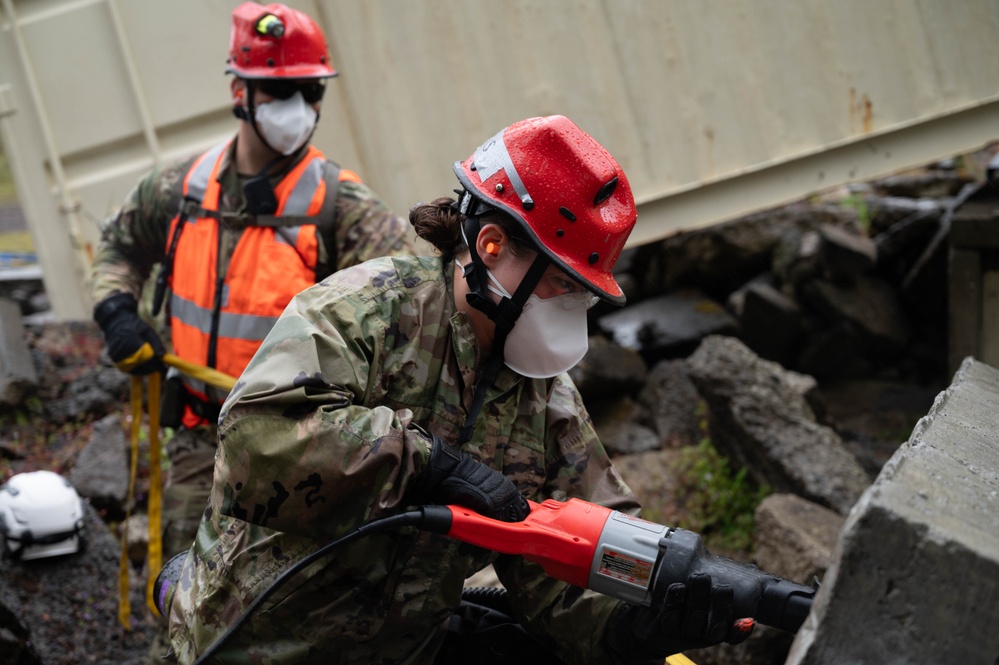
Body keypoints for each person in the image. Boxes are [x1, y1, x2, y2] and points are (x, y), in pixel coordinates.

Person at [166, 115, 750, 664]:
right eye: (557, 282)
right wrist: (423, 462)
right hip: (251, 643)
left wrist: (639, 622)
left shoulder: (545, 399)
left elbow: (575, 559)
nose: (573, 307)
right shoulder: (368, 313)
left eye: (583, 292)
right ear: (491, 244)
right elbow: (256, 439)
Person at [89, 1, 414, 564]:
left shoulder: (341, 208)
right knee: (181, 600)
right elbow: (118, 246)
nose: (300, 108)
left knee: (274, 607)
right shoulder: (181, 189)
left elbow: (408, 316)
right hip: (196, 438)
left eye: (312, 92)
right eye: (280, 92)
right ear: (240, 92)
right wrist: (117, 312)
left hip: (293, 453)